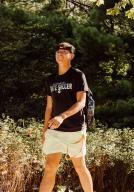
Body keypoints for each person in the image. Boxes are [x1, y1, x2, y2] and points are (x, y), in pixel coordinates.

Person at [40, 42, 93, 192]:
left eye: (64, 52)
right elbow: (49, 107)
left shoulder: (77, 75)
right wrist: (45, 130)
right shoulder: (51, 79)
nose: (60, 54)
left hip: (75, 130)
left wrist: (62, 116)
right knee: (50, 167)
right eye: (58, 51)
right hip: (54, 131)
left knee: (80, 167)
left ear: (72, 56)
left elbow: (82, 102)